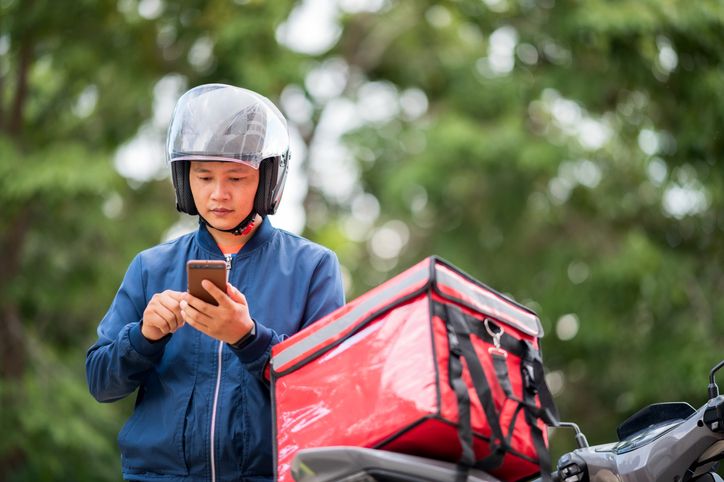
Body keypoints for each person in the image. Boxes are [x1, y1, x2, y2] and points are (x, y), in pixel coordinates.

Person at [86, 83, 345, 482]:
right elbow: (101, 383)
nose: (218, 194)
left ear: (268, 180)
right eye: (204, 177)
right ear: (184, 178)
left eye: (237, 178)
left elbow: (326, 392)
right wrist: (144, 337)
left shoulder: (313, 267)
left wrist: (249, 338)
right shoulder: (150, 266)